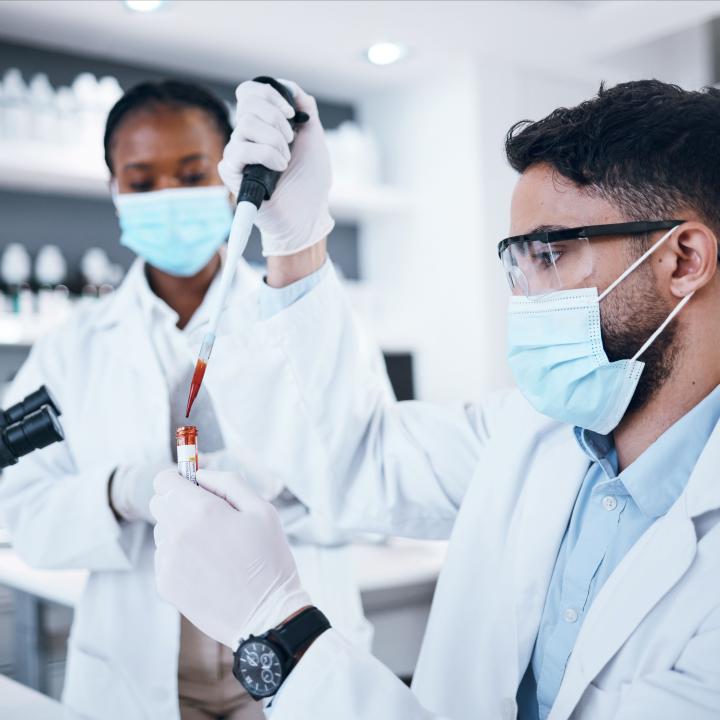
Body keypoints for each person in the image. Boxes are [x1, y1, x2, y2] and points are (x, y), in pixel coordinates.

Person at [150, 79, 720, 720]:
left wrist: (281, 632)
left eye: (552, 253)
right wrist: (295, 235)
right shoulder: (533, 433)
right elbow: (361, 461)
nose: (525, 295)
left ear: (683, 259)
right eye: (517, 262)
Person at [0, 80, 381, 720]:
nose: (169, 196)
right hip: (140, 670)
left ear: (230, 176)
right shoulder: (72, 349)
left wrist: (284, 487)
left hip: (292, 652)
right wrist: (117, 492)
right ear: (114, 191)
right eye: (142, 182)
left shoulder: (301, 316)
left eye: (192, 172)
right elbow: (19, 509)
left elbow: (373, 470)